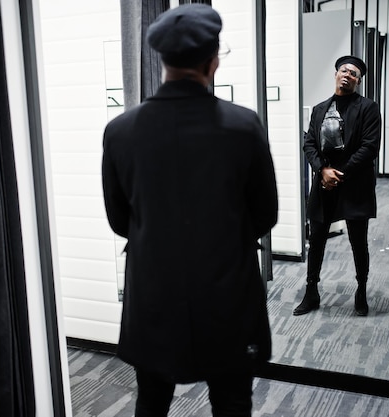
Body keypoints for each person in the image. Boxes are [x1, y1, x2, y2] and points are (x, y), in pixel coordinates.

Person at [101, 4, 279, 416]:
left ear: (161, 59)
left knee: (151, 401)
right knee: (233, 403)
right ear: (213, 60)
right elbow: (265, 214)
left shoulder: (120, 131)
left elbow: (117, 219)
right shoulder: (243, 125)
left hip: (153, 291)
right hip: (227, 291)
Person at [293, 55, 381, 317]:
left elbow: (370, 147)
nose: (348, 75)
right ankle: (312, 291)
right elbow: (309, 142)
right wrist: (322, 170)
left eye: (354, 74)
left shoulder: (368, 108)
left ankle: (361, 290)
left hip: (354, 182)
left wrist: (338, 173)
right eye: (344, 70)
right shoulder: (320, 109)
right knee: (317, 238)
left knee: (358, 240)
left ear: (358, 81)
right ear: (336, 73)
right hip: (324, 182)